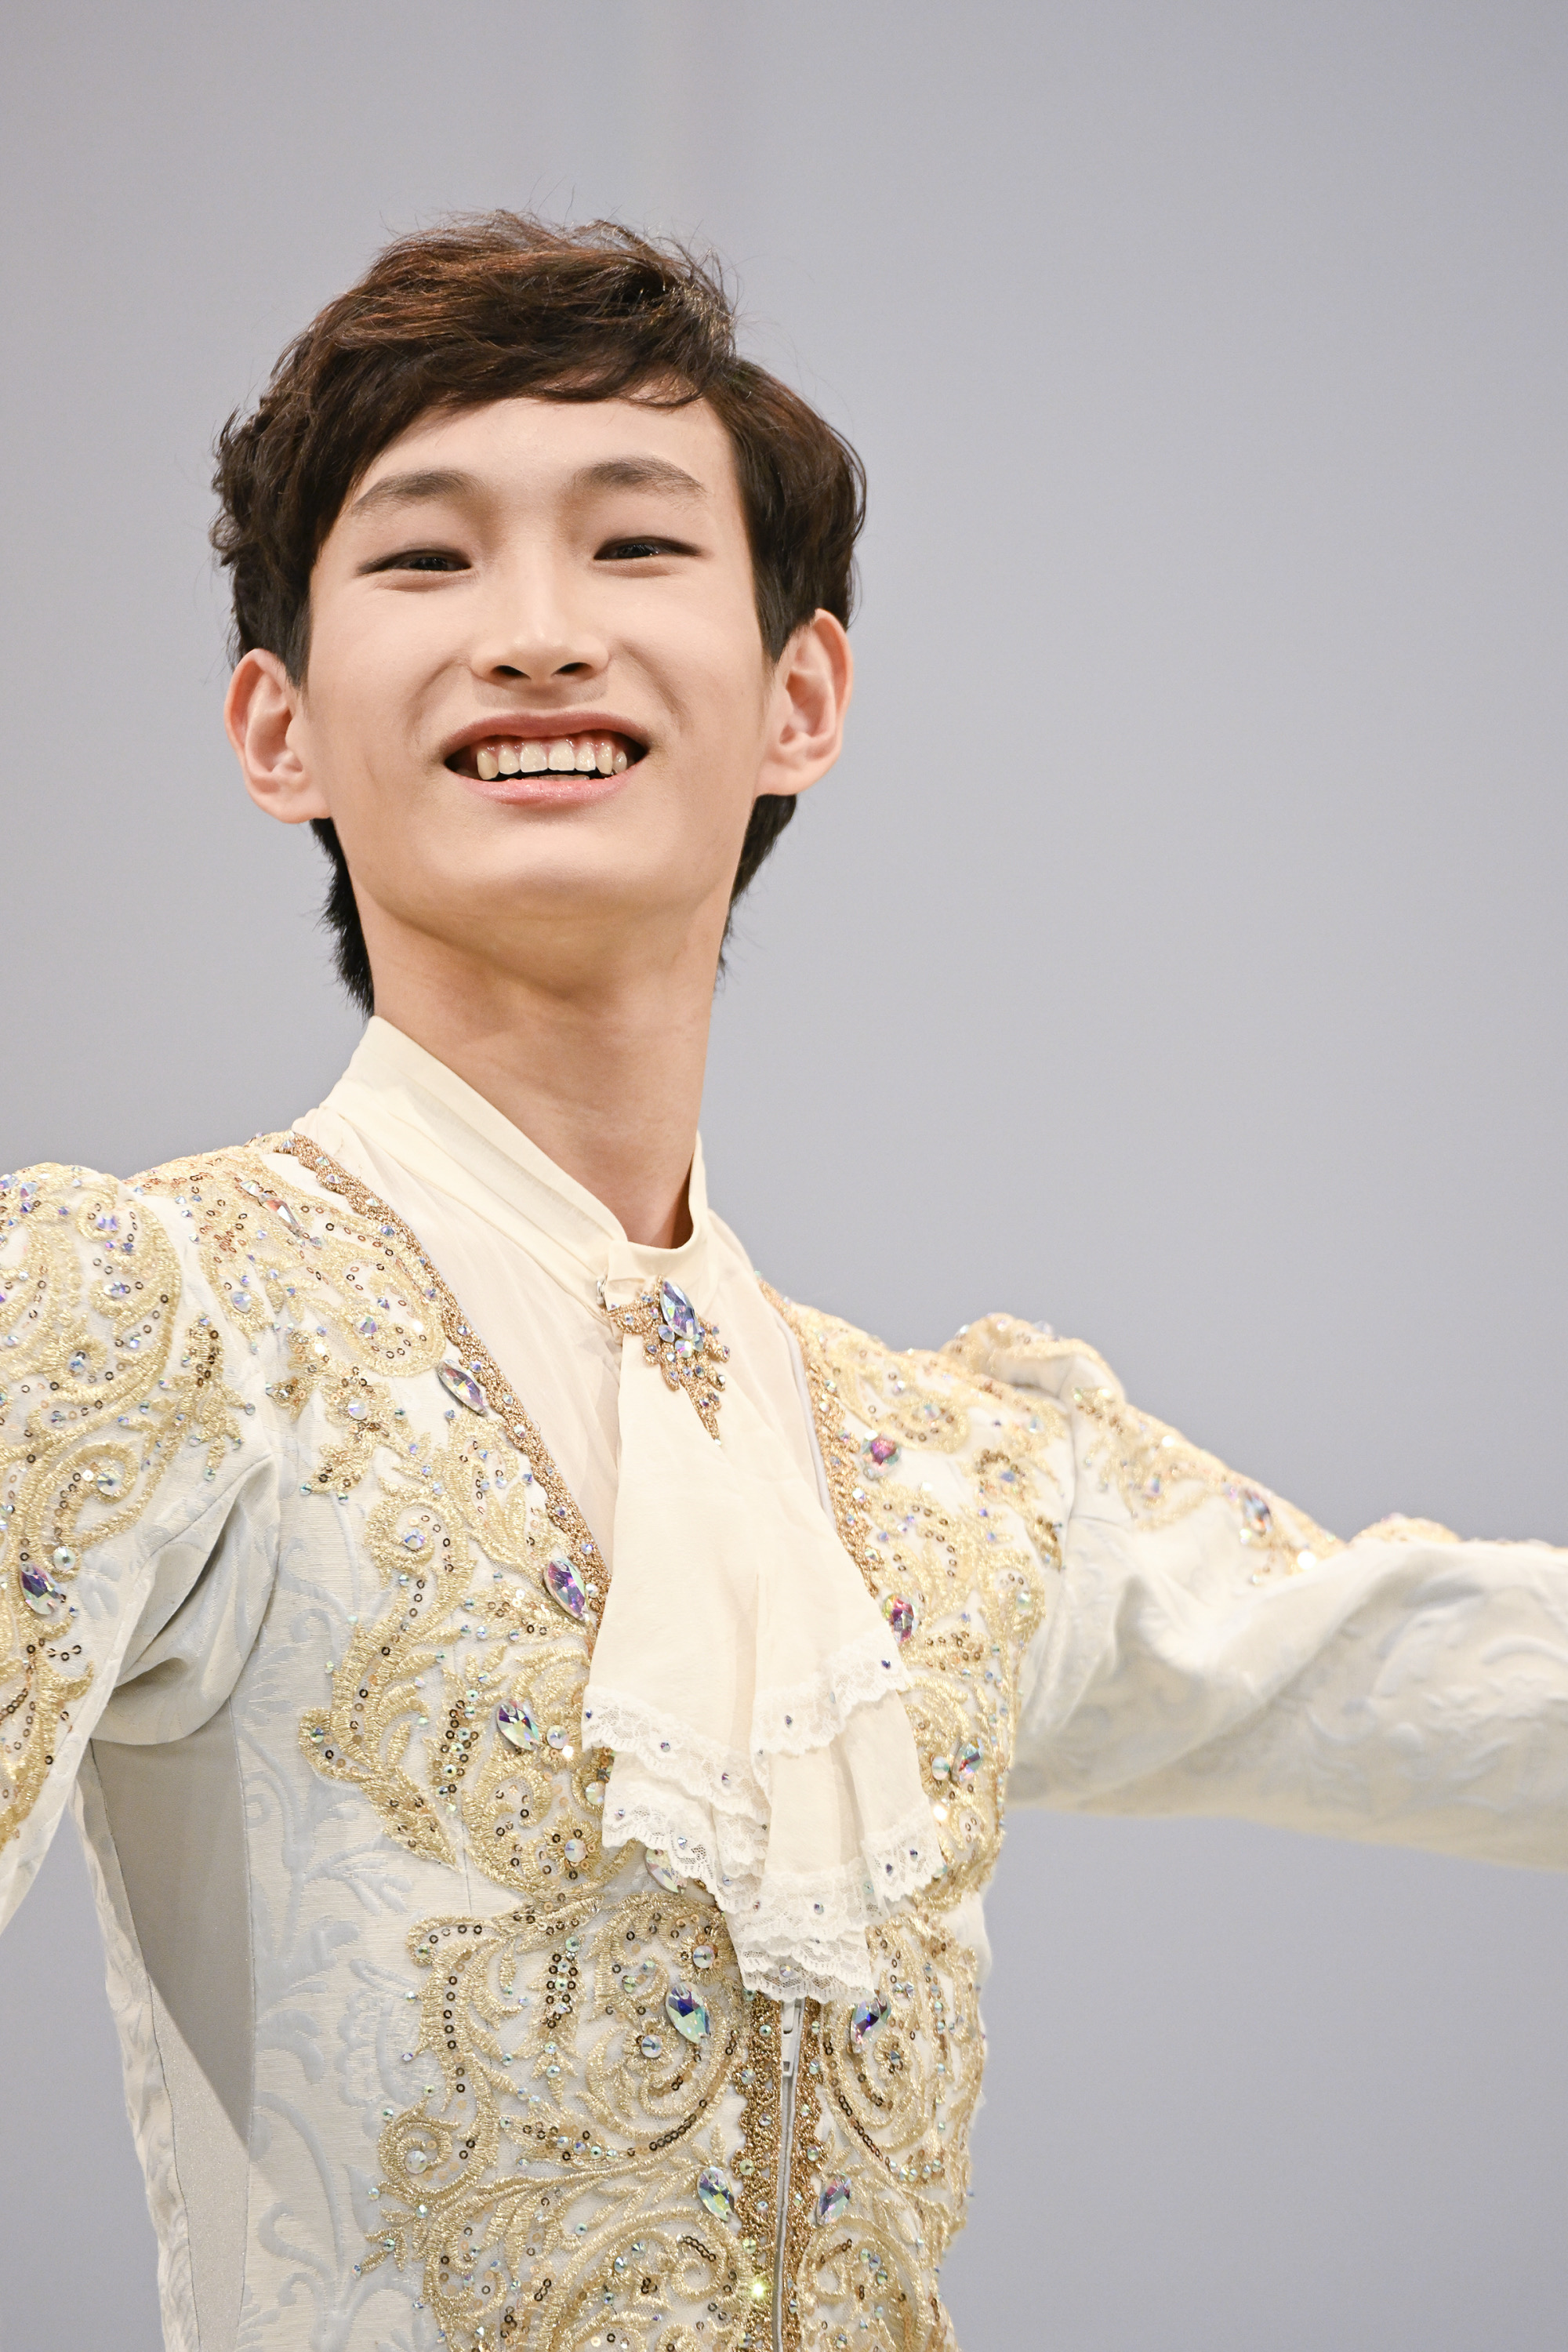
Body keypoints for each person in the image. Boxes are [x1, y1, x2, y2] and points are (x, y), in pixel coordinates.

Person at [2, 212, 1563, 2352]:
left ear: (798, 697)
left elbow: (1449, 1680)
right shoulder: (151, 1320)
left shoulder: (952, 1481)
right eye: (428, 557)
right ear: (277, 731)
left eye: (637, 546)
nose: (537, 635)